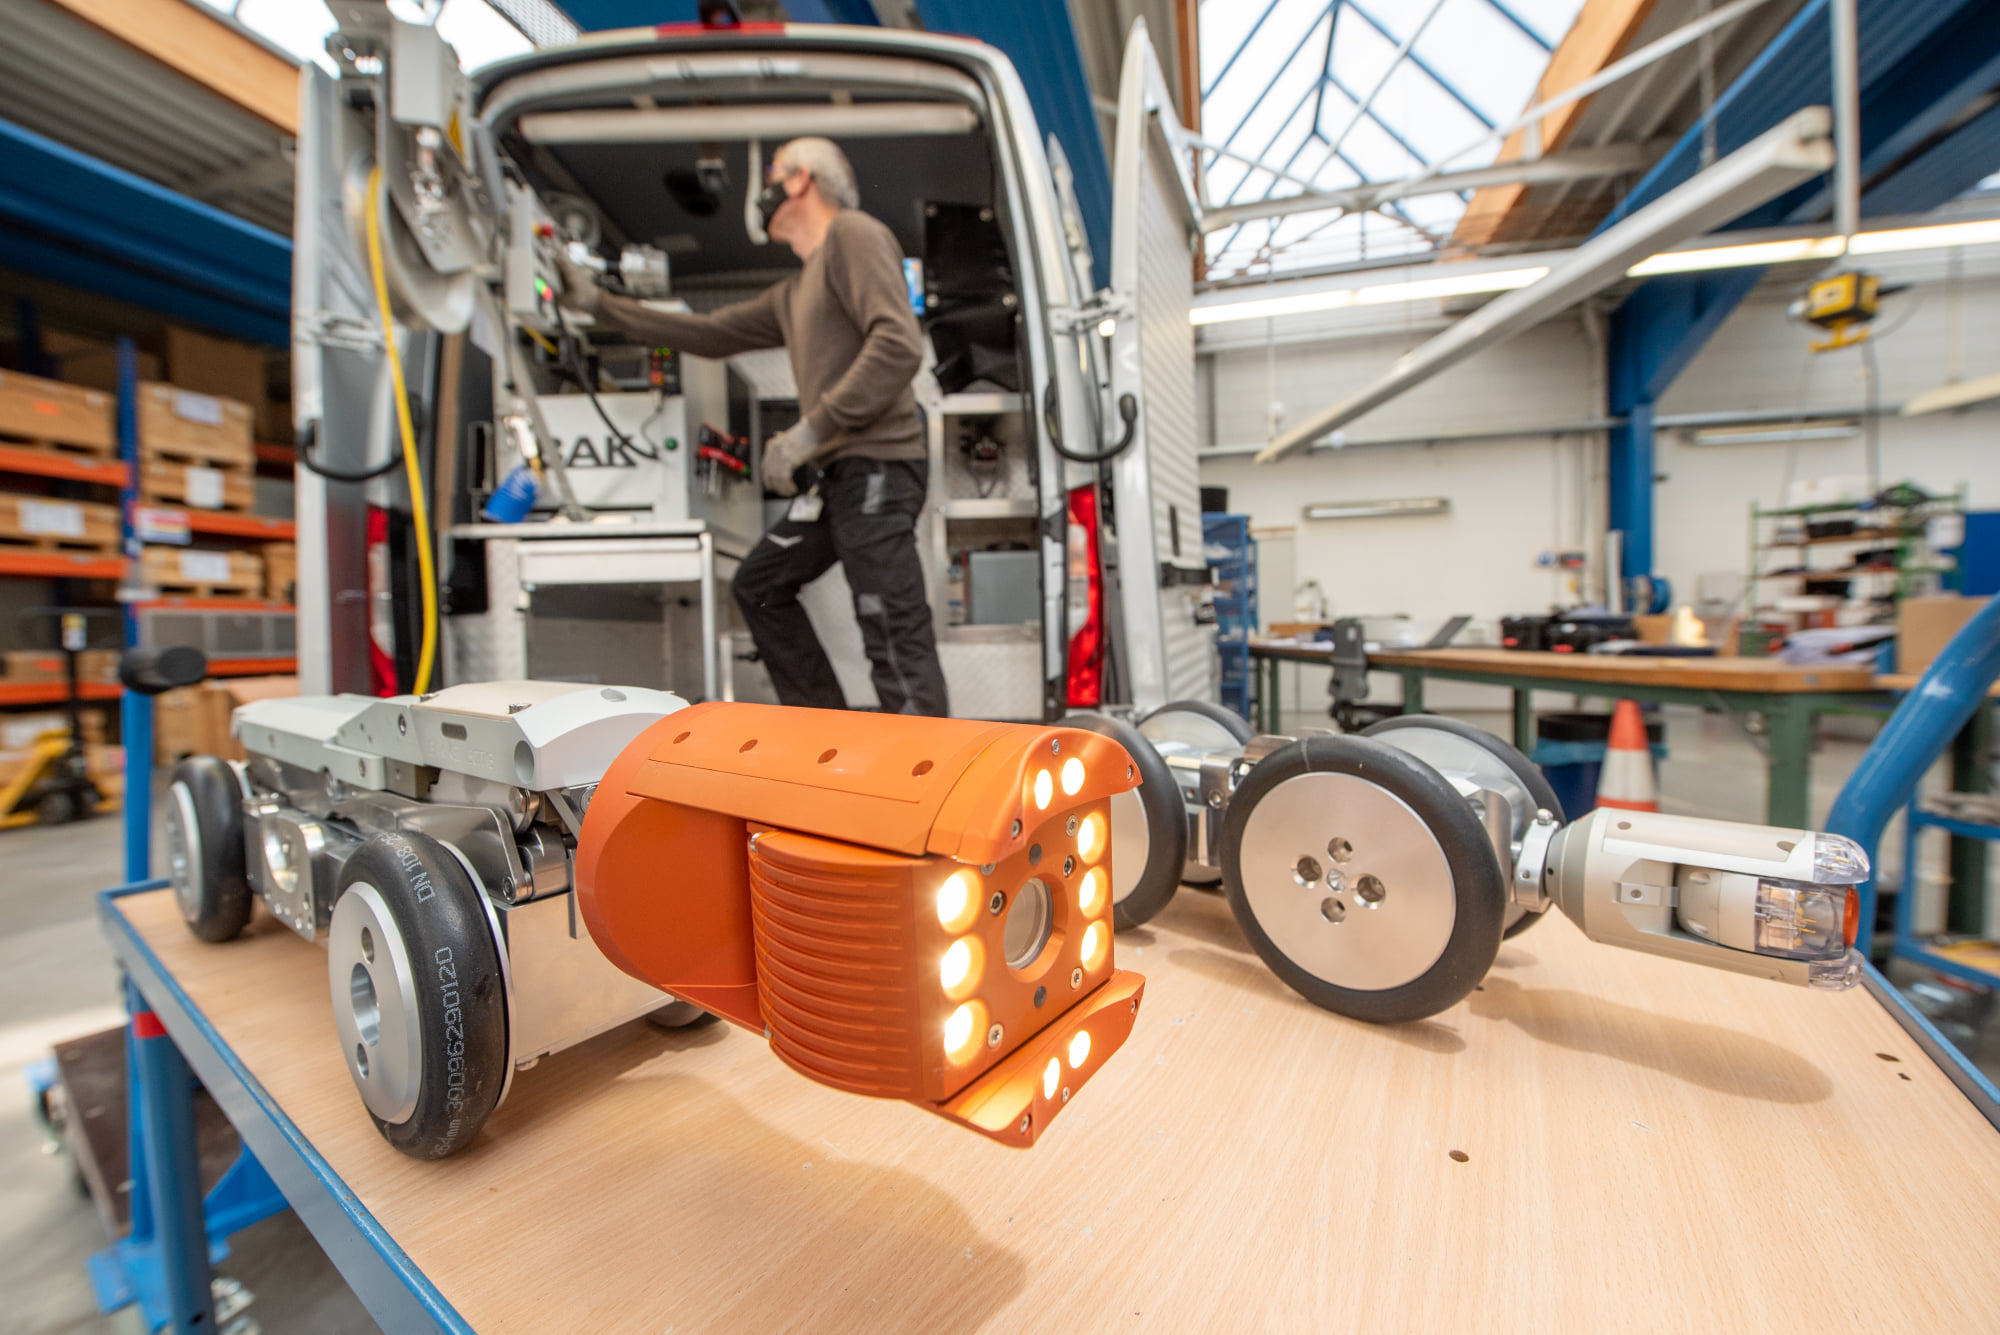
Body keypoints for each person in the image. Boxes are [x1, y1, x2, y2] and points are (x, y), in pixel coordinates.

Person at [558, 137, 948, 716]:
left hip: (878, 466)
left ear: (800, 180)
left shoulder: (853, 235)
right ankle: (825, 733)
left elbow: (897, 345)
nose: (763, 189)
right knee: (761, 587)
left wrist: (808, 433)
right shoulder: (795, 291)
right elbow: (710, 334)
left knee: (889, 624)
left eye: (772, 173)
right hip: (837, 477)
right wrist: (597, 303)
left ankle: (928, 767)